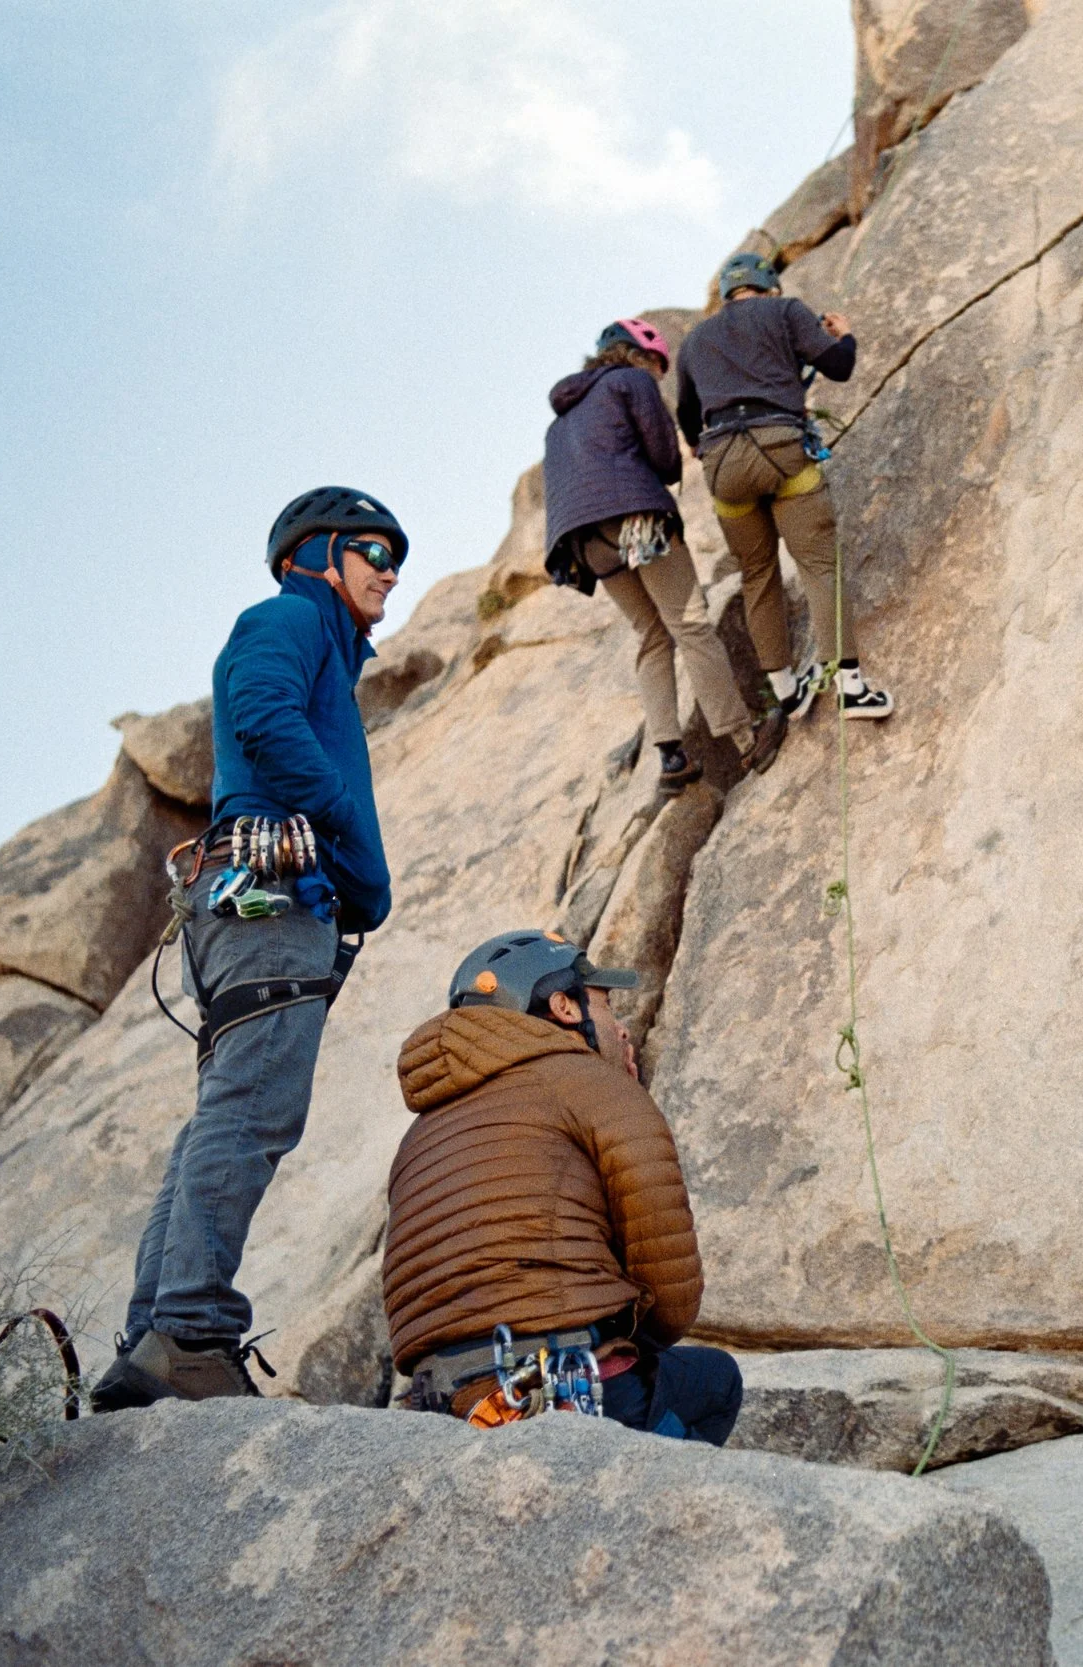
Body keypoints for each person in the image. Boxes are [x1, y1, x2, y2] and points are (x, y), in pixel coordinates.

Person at [92, 487, 403, 1409]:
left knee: (220, 1118)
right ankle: (190, 1331)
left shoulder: (322, 646)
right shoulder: (286, 617)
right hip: (268, 899)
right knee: (251, 1112)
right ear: (317, 553)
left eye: (397, 555)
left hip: (249, 903)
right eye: (373, 548)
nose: (390, 569)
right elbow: (263, 714)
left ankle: (153, 1343)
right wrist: (348, 831)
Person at [384, 931, 743, 1443]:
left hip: (442, 1407)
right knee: (714, 1382)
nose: (621, 1029)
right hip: (560, 1388)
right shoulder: (587, 1081)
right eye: (604, 1005)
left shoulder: (419, 1135)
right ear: (564, 1008)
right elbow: (669, 1292)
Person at [546, 317, 784, 791]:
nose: (657, 375)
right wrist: (678, 460)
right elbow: (662, 453)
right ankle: (745, 738)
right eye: (658, 366)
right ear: (642, 355)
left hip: (582, 542)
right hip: (637, 519)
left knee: (652, 635)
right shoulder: (631, 381)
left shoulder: (561, 421)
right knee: (690, 623)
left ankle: (671, 757)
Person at [674, 251, 894, 723]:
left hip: (723, 469)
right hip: (779, 447)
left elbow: (687, 419)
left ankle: (786, 691)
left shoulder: (694, 341)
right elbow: (837, 366)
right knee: (817, 562)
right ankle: (850, 689)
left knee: (757, 574)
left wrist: (704, 444)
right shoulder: (786, 310)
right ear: (767, 287)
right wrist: (845, 335)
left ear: (728, 292)